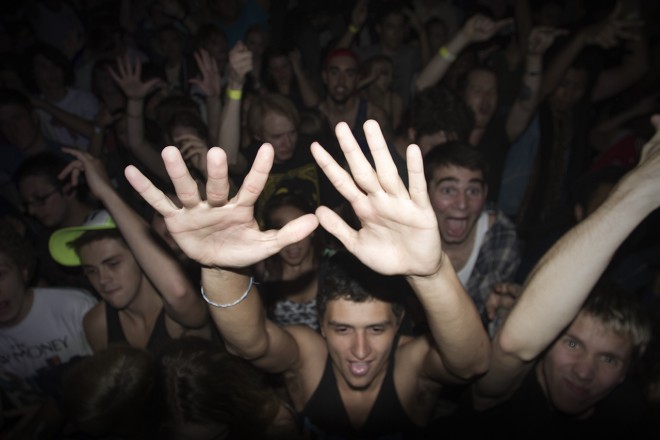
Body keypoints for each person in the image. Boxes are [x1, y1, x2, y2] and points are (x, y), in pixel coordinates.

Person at [124, 119, 490, 438]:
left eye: (377, 330)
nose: (360, 351)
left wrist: (432, 271)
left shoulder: (411, 366)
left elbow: (472, 364)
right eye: (343, 329)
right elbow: (248, 344)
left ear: (399, 325)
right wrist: (221, 267)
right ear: (321, 326)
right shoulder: (308, 358)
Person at [448, 114, 660, 437]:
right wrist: (640, 193)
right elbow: (514, 345)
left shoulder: (629, 415)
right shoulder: (511, 391)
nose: (584, 371)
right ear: (545, 340)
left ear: (625, 373)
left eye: (610, 359)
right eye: (573, 343)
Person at [48, 149, 211, 353]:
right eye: (91, 270)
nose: (103, 279)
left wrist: (105, 191)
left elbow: (179, 294)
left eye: (113, 263)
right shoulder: (96, 324)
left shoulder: (181, 310)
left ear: (142, 257)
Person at [424, 142, 520, 331]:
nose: (462, 204)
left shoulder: (500, 238)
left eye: (473, 191)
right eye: (448, 190)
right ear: (425, 191)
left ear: (485, 194)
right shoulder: (405, 239)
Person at [254, 192, 328, 330]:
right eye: (282, 231)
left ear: (312, 230)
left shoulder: (334, 268)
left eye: (299, 230)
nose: (292, 240)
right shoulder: (262, 275)